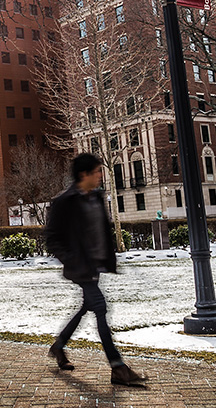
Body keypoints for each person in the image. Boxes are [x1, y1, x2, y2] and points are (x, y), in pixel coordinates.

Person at [43, 152, 147, 387]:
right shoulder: (65, 201)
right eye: (97, 171)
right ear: (84, 174)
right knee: (100, 308)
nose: (101, 175)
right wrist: (71, 259)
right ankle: (118, 367)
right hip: (80, 267)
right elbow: (51, 238)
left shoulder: (96, 197)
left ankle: (59, 346)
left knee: (87, 306)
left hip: (94, 265)